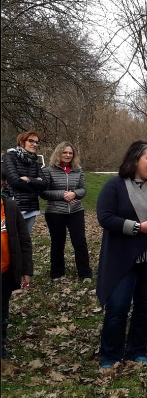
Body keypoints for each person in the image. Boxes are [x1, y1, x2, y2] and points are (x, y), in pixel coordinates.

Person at [96, 141, 147, 371]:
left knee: (145, 307)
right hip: (122, 259)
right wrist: (136, 228)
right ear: (135, 159)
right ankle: (110, 356)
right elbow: (105, 217)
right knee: (118, 307)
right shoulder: (114, 186)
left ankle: (137, 351)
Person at [41, 142, 91, 280]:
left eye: (70, 153)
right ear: (59, 153)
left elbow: (83, 189)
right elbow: (44, 192)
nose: (68, 155)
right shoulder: (48, 170)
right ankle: (57, 273)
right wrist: (63, 195)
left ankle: (85, 273)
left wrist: (74, 194)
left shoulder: (78, 169)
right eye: (65, 152)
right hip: (55, 212)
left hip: (76, 211)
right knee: (57, 242)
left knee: (80, 242)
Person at [1, 167, 34, 363]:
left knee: (2, 315)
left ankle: (1, 354)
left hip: (4, 272)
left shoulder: (10, 208)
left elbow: (24, 241)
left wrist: (26, 270)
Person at [2, 131, 47, 233]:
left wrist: (29, 179)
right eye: (31, 141)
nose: (35, 144)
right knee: (13, 242)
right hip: (15, 207)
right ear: (22, 142)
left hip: (32, 207)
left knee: (25, 242)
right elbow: (14, 181)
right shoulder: (10, 157)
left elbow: (44, 184)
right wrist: (36, 183)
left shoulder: (34, 162)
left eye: (37, 142)